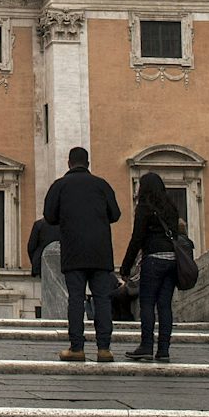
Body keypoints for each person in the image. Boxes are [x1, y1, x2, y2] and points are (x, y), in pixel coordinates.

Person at [42, 145, 123, 362]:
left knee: (76, 299)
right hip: (100, 252)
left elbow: (49, 216)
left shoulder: (60, 186)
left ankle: (77, 348)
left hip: (74, 250)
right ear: (88, 163)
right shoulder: (101, 185)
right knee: (102, 299)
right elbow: (115, 214)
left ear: (69, 163)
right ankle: (104, 348)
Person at [119, 171, 186, 363]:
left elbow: (137, 238)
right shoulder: (171, 207)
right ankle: (163, 350)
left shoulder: (145, 207)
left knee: (147, 303)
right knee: (165, 305)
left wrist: (126, 266)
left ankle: (146, 346)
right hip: (172, 260)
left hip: (154, 259)